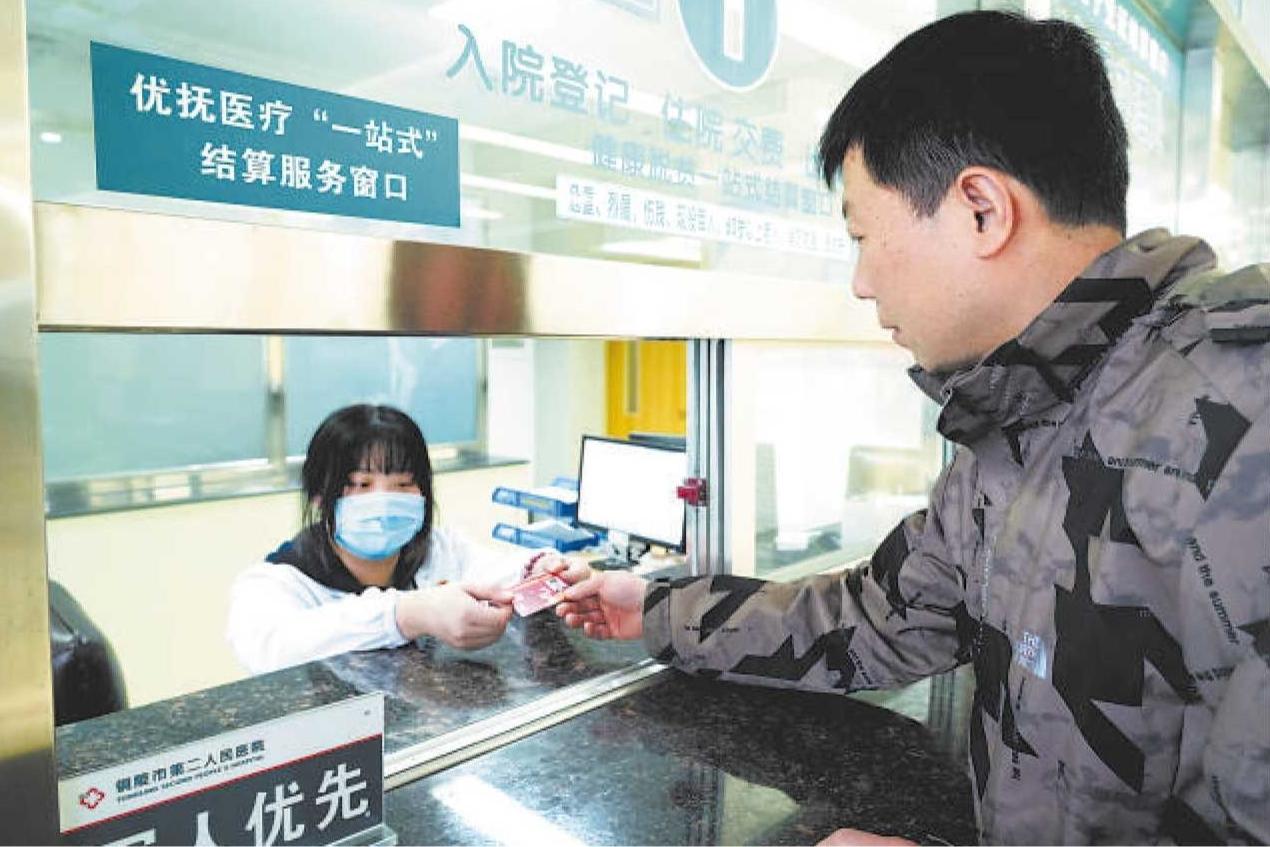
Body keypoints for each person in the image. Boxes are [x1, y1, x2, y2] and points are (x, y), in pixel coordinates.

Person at [553, 10, 1269, 845]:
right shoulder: (1027, 412)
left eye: (862, 234)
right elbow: (881, 612)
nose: (860, 282)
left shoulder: (1240, 416)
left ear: (981, 210)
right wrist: (657, 611)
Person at [227, 403, 563, 674]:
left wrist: (547, 570)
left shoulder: (438, 549)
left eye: (403, 484)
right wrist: (406, 614)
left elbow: (495, 571)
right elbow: (270, 649)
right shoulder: (276, 582)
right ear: (318, 494)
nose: (385, 500)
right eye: (361, 484)